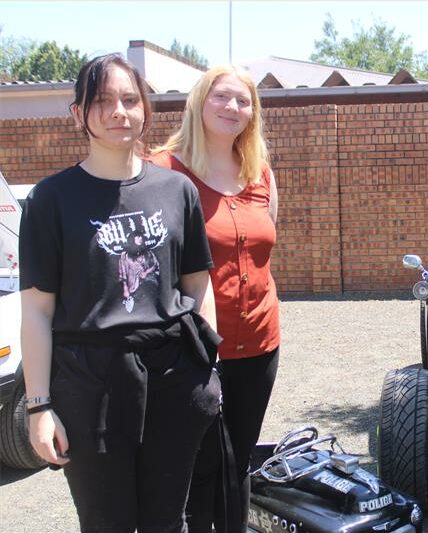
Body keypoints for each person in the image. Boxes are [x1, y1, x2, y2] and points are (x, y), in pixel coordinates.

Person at [20, 54, 221, 533]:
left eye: (130, 99)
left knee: (167, 520)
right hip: (91, 387)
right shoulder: (51, 199)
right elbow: (36, 311)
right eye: (103, 100)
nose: (119, 111)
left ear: (145, 109)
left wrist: (208, 369)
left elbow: (196, 284)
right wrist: (39, 407)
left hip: (174, 380)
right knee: (105, 522)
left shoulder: (177, 190)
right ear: (77, 114)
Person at [150, 65, 280, 533]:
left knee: (238, 460)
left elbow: (262, 254)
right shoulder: (164, 171)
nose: (233, 108)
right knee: (200, 464)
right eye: (222, 97)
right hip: (195, 347)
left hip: (260, 343)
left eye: (244, 101)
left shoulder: (259, 171)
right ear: (199, 102)